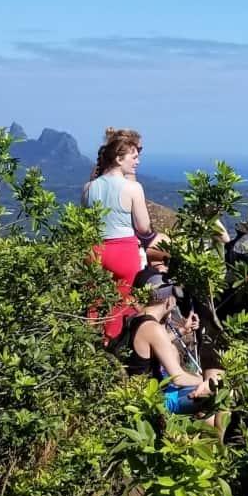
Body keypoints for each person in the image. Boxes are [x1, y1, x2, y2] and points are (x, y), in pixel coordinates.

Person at [82, 128, 161, 340]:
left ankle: (89, 347)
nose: (137, 162)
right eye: (133, 157)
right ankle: (114, 347)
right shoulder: (133, 188)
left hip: (94, 249)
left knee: (94, 304)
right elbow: (144, 227)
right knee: (120, 305)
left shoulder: (88, 188)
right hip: (123, 250)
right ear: (119, 158)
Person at [121, 270, 220, 417]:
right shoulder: (153, 328)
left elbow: (157, 344)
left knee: (206, 388)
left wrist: (181, 330)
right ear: (168, 300)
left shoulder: (136, 320)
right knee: (219, 391)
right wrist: (208, 381)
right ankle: (219, 437)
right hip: (158, 399)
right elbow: (178, 378)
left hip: (142, 393)